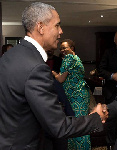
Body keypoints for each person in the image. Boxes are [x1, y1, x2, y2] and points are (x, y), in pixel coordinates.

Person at [0, 2, 108, 150]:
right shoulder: (36, 67)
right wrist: (95, 118)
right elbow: (58, 126)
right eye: (57, 25)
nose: (61, 31)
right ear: (41, 27)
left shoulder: (10, 56)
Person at [52, 39, 92, 150]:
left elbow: (60, 79)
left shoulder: (69, 58)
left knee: (76, 126)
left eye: (65, 47)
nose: (62, 50)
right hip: (80, 95)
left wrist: (52, 73)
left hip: (76, 96)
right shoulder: (76, 58)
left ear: (72, 48)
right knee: (80, 125)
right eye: (61, 49)